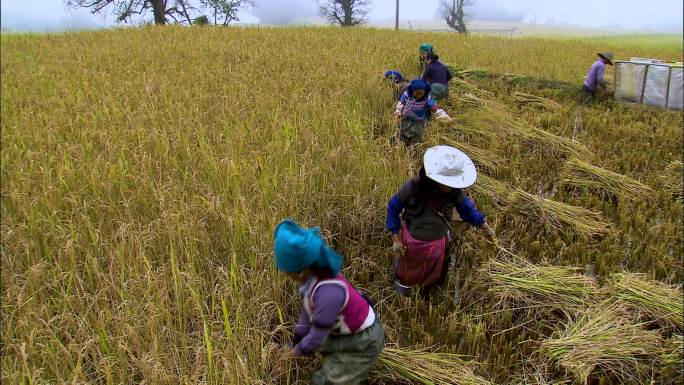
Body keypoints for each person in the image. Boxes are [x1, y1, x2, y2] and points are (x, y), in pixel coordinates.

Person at [273, 219, 385, 385]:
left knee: (325, 381)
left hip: (363, 342)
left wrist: (290, 357)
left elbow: (316, 338)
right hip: (342, 334)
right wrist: (293, 343)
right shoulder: (311, 281)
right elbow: (306, 318)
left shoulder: (328, 293)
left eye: (286, 270)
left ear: (301, 271)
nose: (284, 273)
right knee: (323, 350)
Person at [385, 146, 496, 297]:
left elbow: (467, 210)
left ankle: (426, 294)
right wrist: (396, 239)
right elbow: (393, 208)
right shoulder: (413, 187)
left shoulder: (454, 192)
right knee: (407, 271)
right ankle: (404, 293)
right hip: (412, 243)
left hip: (437, 243)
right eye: (446, 183)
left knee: (432, 274)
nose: (449, 187)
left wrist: (483, 225)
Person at [393, 79, 451, 146]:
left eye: (421, 94)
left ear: (425, 91)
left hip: (419, 123)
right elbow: (401, 104)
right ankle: (403, 144)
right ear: (412, 90)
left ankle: (414, 147)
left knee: (417, 138)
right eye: (417, 94)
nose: (419, 96)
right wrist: (398, 112)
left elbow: (436, 110)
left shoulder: (428, 99)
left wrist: (446, 119)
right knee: (403, 134)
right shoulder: (407, 95)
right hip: (406, 120)